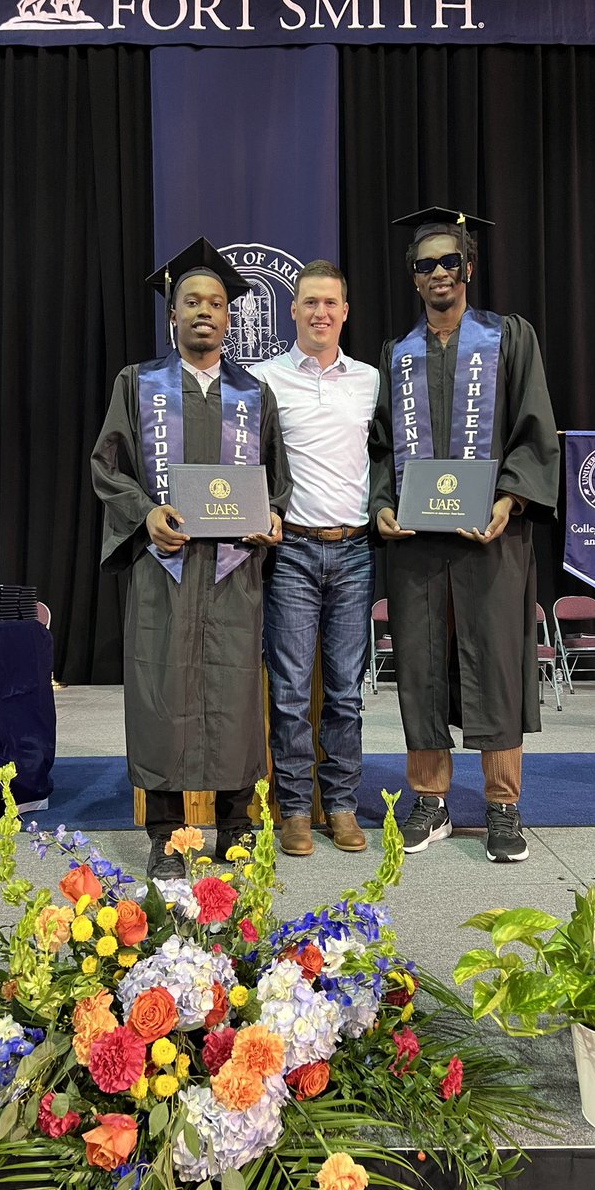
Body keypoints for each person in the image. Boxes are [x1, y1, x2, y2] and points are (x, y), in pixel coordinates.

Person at [91, 238, 292, 881]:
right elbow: (106, 466)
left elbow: (276, 480)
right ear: (172, 315)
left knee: (233, 695)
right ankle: (169, 834)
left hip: (232, 572)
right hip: (164, 568)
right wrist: (145, 513)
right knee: (162, 692)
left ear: (230, 318)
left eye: (215, 302)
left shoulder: (252, 394)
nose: (204, 311)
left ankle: (235, 828)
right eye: (190, 302)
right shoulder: (139, 383)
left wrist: (272, 518)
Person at [369, 207, 559, 863]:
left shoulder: (509, 338)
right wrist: (383, 505)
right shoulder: (396, 357)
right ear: (414, 280)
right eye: (427, 265)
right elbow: (380, 450)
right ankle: (430, 798)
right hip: (418, 547)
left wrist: (509, 498)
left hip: (492, 539)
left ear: (469, 269)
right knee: (420, 668)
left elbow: (535, 428)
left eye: (451, 261)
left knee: (498, 669)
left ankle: (503, 806)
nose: (440, 272)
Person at [249, 261, 379, 856]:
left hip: (354, 550)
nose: (320, 312)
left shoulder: (372, 381)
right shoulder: (262, 379)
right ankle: (297, 809)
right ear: (293, 311)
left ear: (344, 312)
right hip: (293, 551)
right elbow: (248, 463)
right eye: (309, 302)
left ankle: (344, 806)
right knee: (292, 690)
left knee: (348, 690)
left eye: (331, 302)